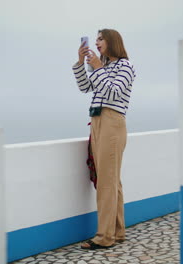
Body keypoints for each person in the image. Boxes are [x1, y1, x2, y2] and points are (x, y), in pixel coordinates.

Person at [72, 29, 136, 250]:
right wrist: (81, 64)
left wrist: (98, 67)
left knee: (107, 183)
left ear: (112, 41)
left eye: (100, 38)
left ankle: (104, 237)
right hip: (98, 121)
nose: (96, 42)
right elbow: (84, 87)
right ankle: (117, 232)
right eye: (96, 39)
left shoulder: (125, 66)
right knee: (111, 181)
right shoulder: (105, 66)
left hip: (112, 121)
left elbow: (114, 92)